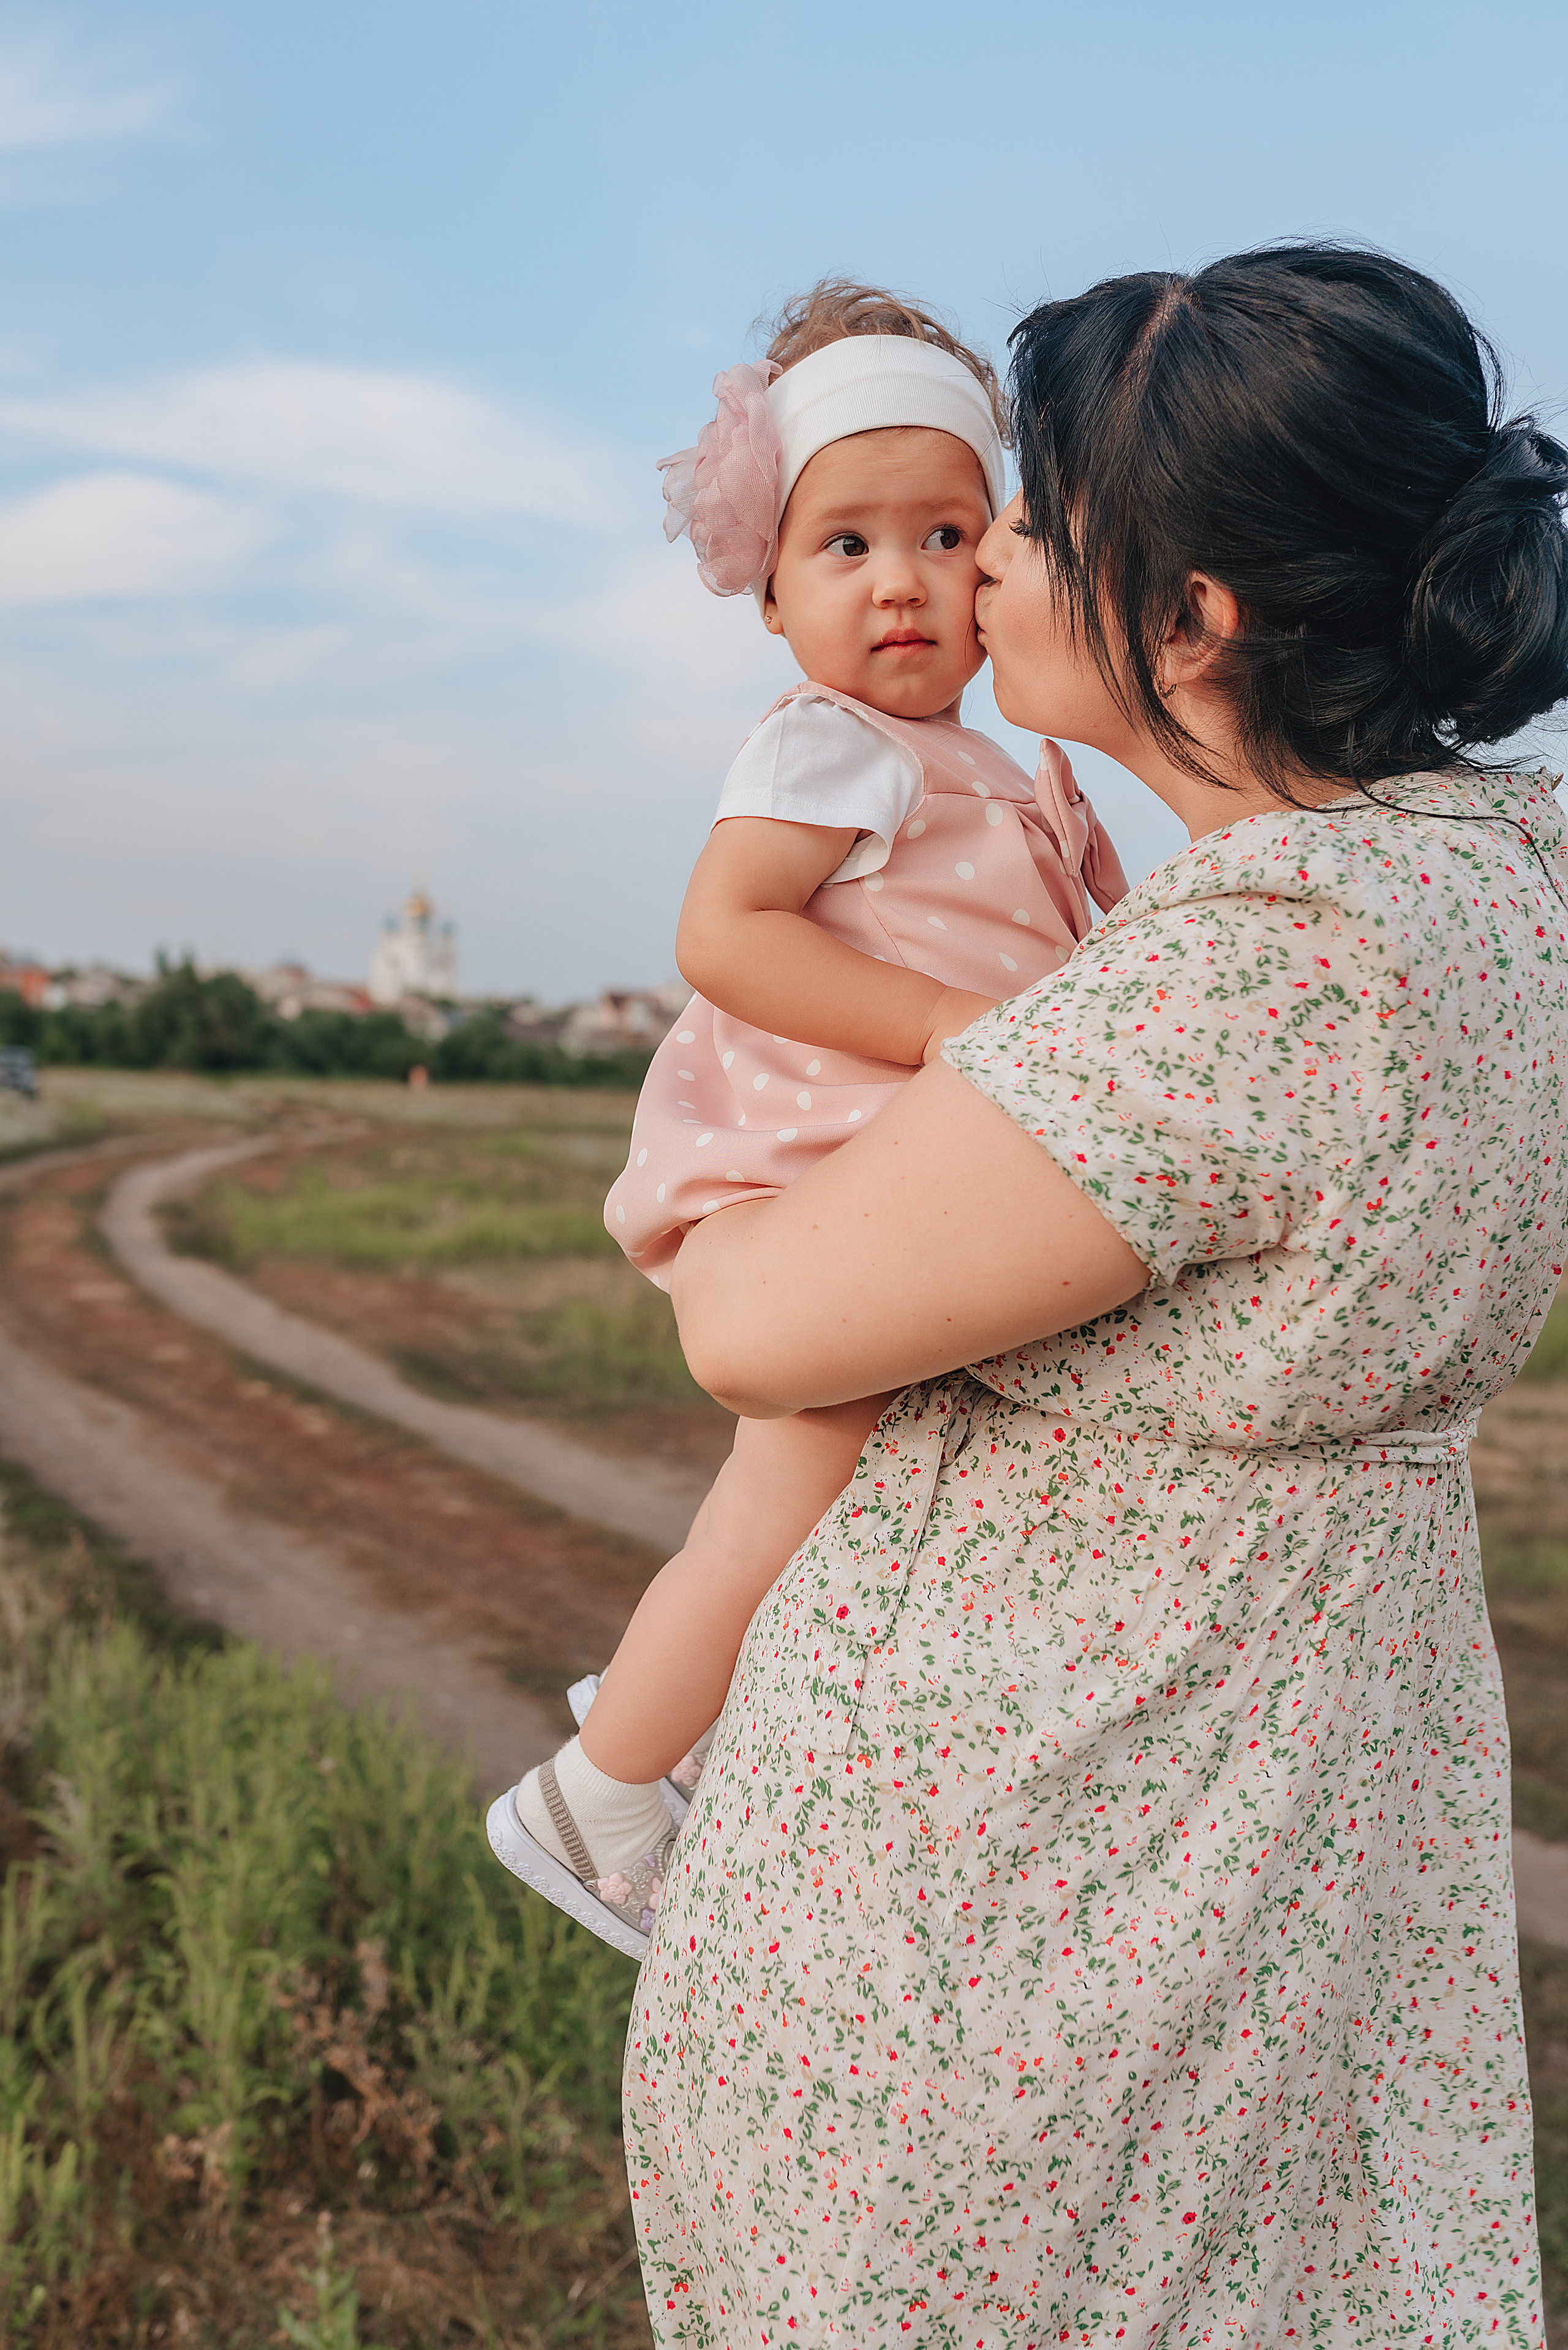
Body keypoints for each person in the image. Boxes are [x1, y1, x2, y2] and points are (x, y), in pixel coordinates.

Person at [625, 245, 1568, 2348]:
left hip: (1054, 1875)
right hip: (1308, 1781)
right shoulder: (1510, 874)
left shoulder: (1262, 960)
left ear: (1190, 617)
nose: (979, 567)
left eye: (1028, 521)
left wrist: (749, 1176)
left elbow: (747, 1331)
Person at [486, 284, 1126, 1954]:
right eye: (845, 545)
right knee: (792, 1483)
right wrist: (946, 1031)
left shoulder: (1010, 771)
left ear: (1000, 561)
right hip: (802, 1172)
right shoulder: (831, 748)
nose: (898, 581)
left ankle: (686, 1710)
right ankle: (600, 1788)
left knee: (862, 1497)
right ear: (769, 590)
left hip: (905, 1181)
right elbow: (724, 936)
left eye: (942, 535)